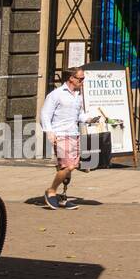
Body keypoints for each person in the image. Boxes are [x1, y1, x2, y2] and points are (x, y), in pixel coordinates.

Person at [39, 66, 101, 209]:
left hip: (74, 134)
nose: (82, 81)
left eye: (83, 78)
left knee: (67, 167)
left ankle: (63, 197)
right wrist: (49, 132)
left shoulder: (78, 96)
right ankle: (51, 191)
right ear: (71, 78)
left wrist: (90, 119)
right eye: (80, 79)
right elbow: (45, 114)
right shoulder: (56, 94)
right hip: (60, 134)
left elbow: (78, 115)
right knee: (69, 166)